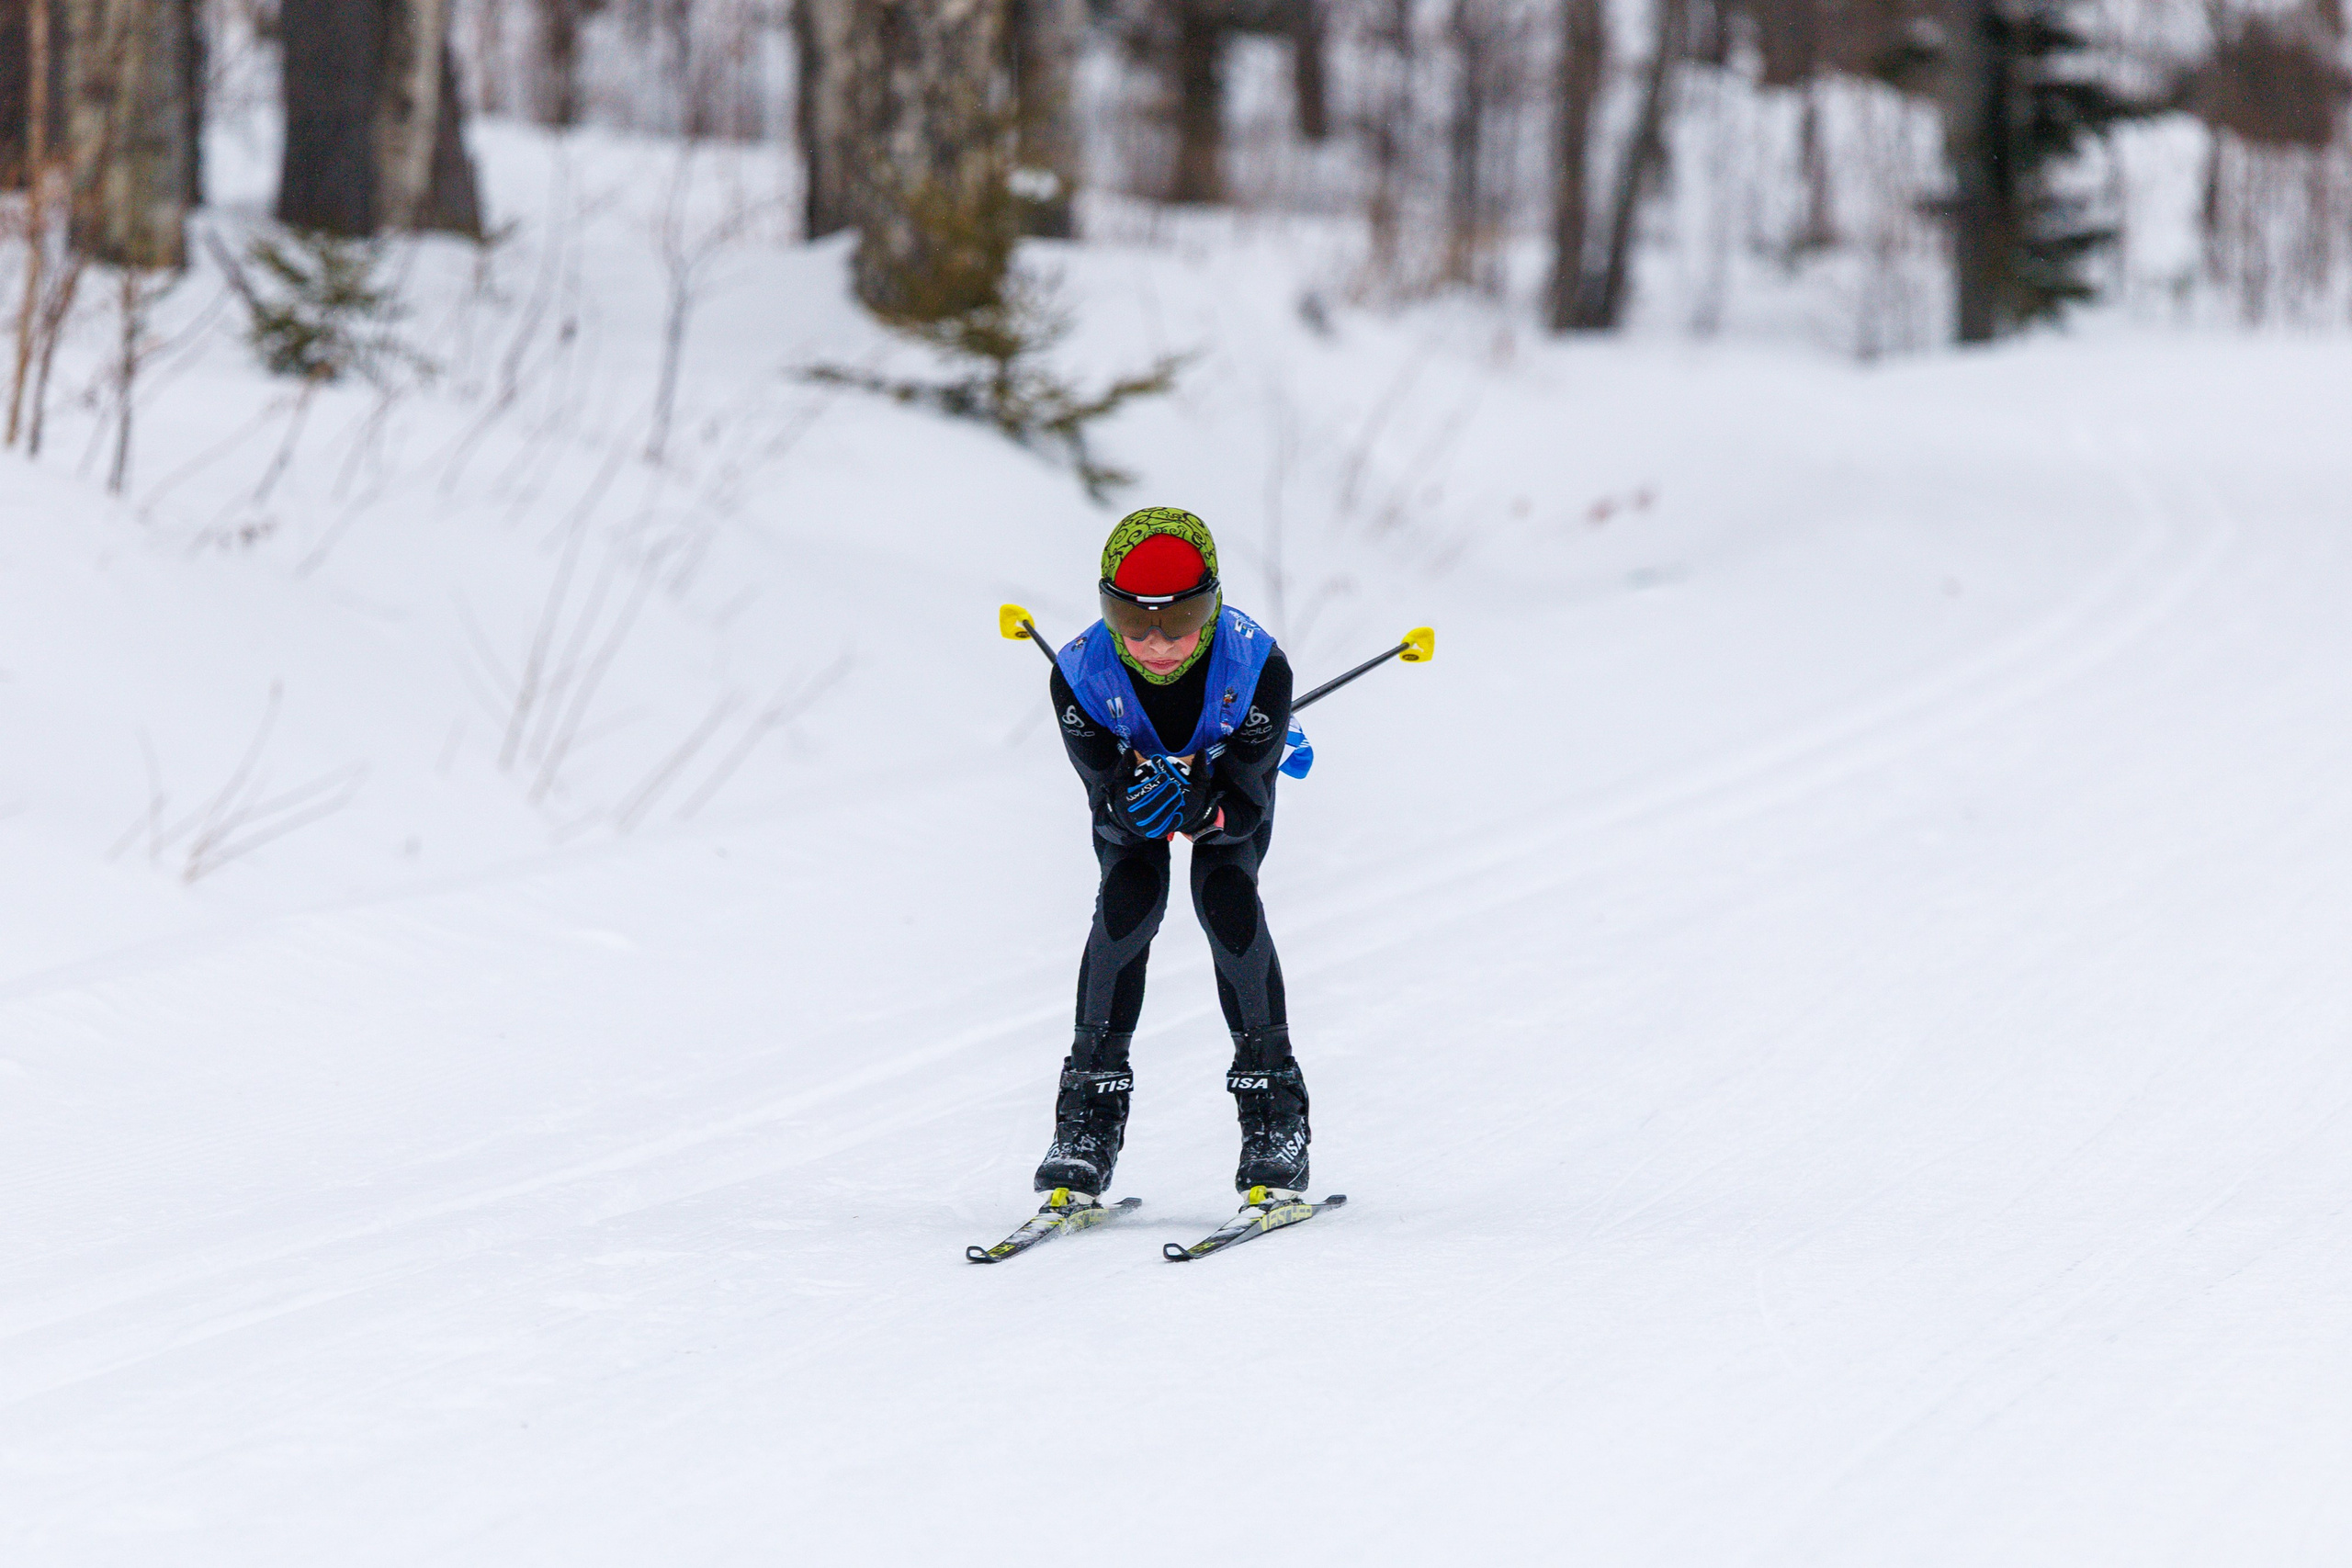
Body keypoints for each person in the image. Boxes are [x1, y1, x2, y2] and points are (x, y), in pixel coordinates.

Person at [1036, 505, 1308, 1209]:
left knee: (1225, 894)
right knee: (1129, 898)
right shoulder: (1079, 675)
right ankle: (1087, 1119)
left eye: (1181, 618)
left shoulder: (1259, 668)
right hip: (1136, 790)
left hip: (1224, 784)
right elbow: (1105, 796)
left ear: (1212, 605)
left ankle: (1275, 1113)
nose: (1157, 642)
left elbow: (1245, 807)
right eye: (1132, 620)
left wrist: (1203, 807)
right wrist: (1131, 804)